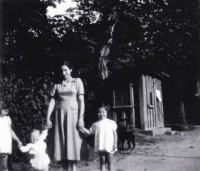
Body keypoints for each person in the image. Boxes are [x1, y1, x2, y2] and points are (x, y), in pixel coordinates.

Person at [46, 60, 88, 171]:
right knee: (62, 144)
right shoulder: (57, 84)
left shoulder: (77, 81)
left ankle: (73, 169)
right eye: (61, 71)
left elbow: (81, 100)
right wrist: (47, 118)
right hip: (60, 116)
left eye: (65, 70)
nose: (63, 73)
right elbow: (52, 102)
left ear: (71, 70)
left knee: (73, 142)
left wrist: (81, 117)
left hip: (73, 116)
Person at [79, 106, 118, 171]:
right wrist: (82, 128)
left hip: (110, 145)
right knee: (102, 161)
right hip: (101, 145)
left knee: (109, 161)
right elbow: (89, 132)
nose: (101, 114)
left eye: (103, 112)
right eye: (99, 112)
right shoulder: (96, 124)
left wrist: (115, 144)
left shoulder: (111, 122)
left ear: (106, 112)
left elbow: (115, 134)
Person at [0, 100, 22, 171]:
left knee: (4, 166)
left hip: (4, 146)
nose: (6, 111)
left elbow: (11, 131)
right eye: (4, 109)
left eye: (7, 109)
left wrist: (18, 140)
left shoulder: (7, 119)